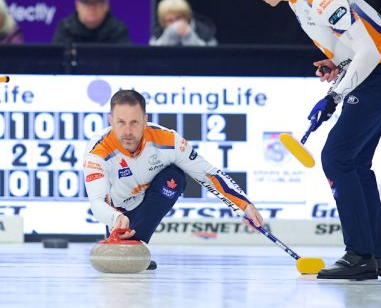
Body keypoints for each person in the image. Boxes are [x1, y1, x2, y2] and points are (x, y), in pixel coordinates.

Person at [241, 0, 381, 280]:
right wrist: (337, 63)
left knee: (337, 157)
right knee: (355, 162)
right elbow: (351, 46)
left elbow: (370, 51)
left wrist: (334, 95)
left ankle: (359, 256)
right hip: (375, 71)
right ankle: (380, 255)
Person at [83, 90, 264, 270]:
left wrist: (244, 205)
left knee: (174, 178)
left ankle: (134, 242)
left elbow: (207, 174)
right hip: (118, 213)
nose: (128, 131)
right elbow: (96, 202)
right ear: (110, 120)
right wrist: (115, 218)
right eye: (121, 122)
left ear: (145, 121)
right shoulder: (97, 151)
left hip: (149, 202)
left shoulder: (168, 139)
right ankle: (125, 238)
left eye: (134, 122)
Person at [51, 0, 131, 45]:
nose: (92, 8)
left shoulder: (118, 30)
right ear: (77, 5)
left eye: (97, 2)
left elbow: (126, 62)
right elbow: (55, 61)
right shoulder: (66, 28)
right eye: (86, 3)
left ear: (106, 5)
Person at [150, 0, 217, 46]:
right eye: (169, 20)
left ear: (187, 17)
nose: (175, 24)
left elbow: (212, 56)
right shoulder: (156, 36)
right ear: (163, 22)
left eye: (178, 18)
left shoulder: (206, 33)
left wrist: (189, 36)